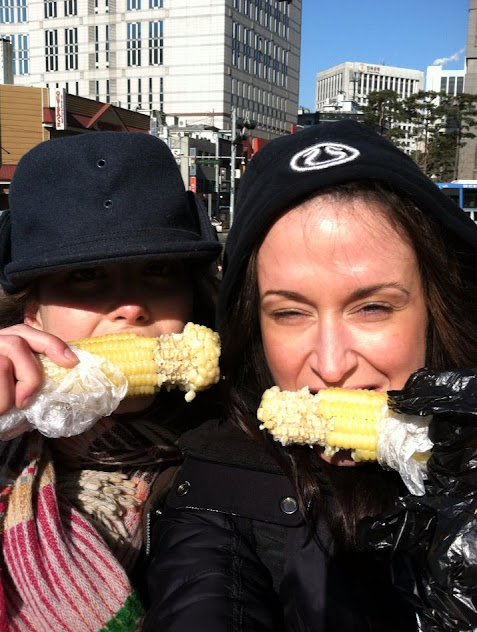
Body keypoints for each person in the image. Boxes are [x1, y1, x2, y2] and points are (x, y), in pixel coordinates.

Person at [144, 120, 477, 631]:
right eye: (290, 313)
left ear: (437, 308)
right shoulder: (217, 490)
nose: (331, 364)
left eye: (372, 307)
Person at [0, 131, 222, 631]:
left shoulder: (244, 450)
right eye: (85, 276)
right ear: (33, 314)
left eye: (159, 269)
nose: (130, 306)